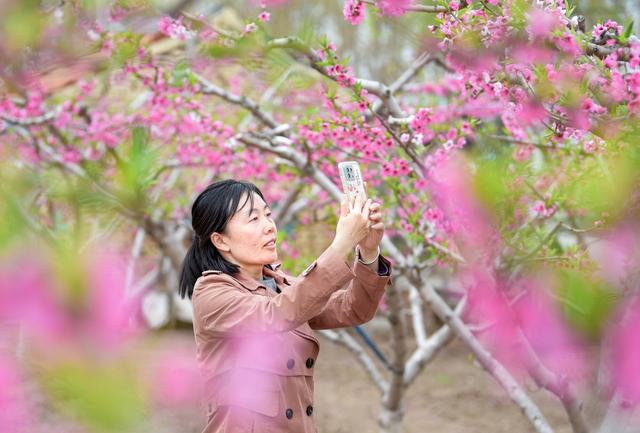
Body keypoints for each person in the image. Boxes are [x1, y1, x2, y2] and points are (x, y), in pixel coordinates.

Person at [179, 179, 392, 433]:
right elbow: (275, 314)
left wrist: (368, 252)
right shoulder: (212, 291)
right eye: (253, 219)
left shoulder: (279, 285)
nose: (269, 226)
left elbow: (352, 308)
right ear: (221, 240)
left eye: (268, 215)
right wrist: (341, 244)